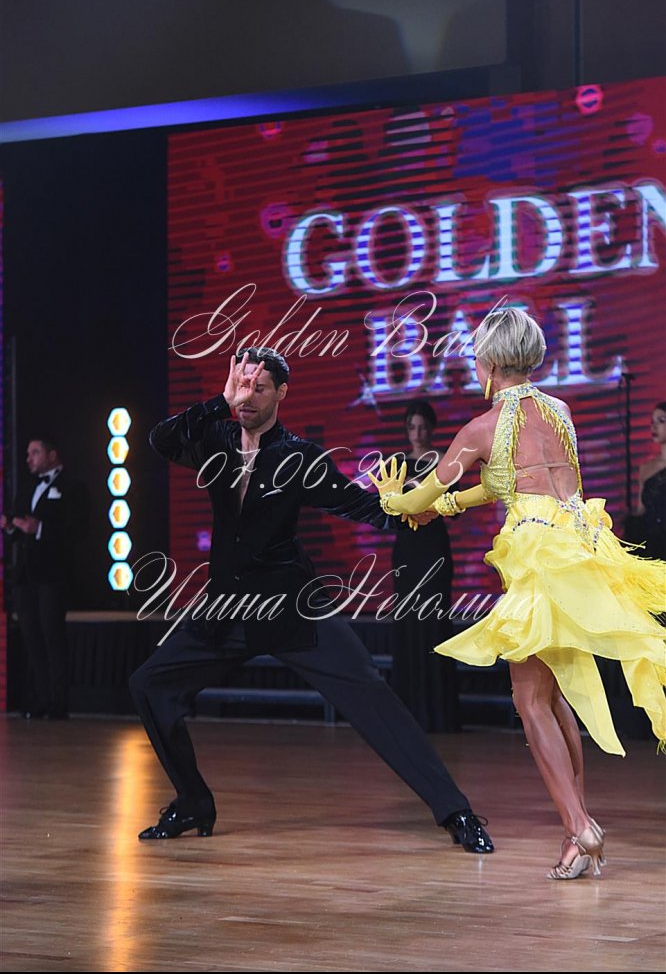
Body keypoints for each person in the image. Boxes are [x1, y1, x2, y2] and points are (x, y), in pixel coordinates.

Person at [129, 347, 493, 853]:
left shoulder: (298, 456)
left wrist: (412, 508)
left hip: (291, 607)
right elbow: (161, 440)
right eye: (241, 385)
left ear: (281, 393)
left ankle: (456, 811)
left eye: (259, 387)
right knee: (149, 684)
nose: (247, 396)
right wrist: (219, 402)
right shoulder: (215, 439)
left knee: (371, 694)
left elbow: (358, 503)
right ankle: (193, 802)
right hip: (226, 608)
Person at [370, 308, 666, 880]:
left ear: (488, 360)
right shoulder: (560, 411)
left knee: (530, 700)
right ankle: (576, 835)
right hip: (579, 549)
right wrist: (450, 506)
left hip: (538, 559)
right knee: (553, 698)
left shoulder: (481, 429)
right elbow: (510, 481)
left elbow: (425, 492)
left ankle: (581, 826)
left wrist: (394, 500)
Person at [2, 435, 89, 719]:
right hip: (26, 575)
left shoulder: (72, 487)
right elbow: (19, 528)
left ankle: (58, 702)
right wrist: (10, 527)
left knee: (53, 636)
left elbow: (78, 530)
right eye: (28, 453)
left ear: (52, 455)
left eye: (35, 453)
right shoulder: (27, 488)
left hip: (53, 573)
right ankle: (40, 699)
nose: (29, 458)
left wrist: (40, 529)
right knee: (31, 637)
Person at [390, 399, 459, 732]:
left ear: (431, 428)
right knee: (407, 624)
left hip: (433, 550)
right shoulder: (397, 464)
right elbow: (387, 508)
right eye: (411, 427)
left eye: (422, 427)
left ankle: (438, 714)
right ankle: (408, 713)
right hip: (406, 550)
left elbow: (454, 507)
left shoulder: (445, 463)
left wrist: (429, 505)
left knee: (434, 624)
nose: (416, 433)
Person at [636, 402, 666, 561]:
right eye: (652, 422)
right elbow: (641, 511)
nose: (654, 427)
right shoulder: (646, 469)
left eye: (661, 421)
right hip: (653, 547)